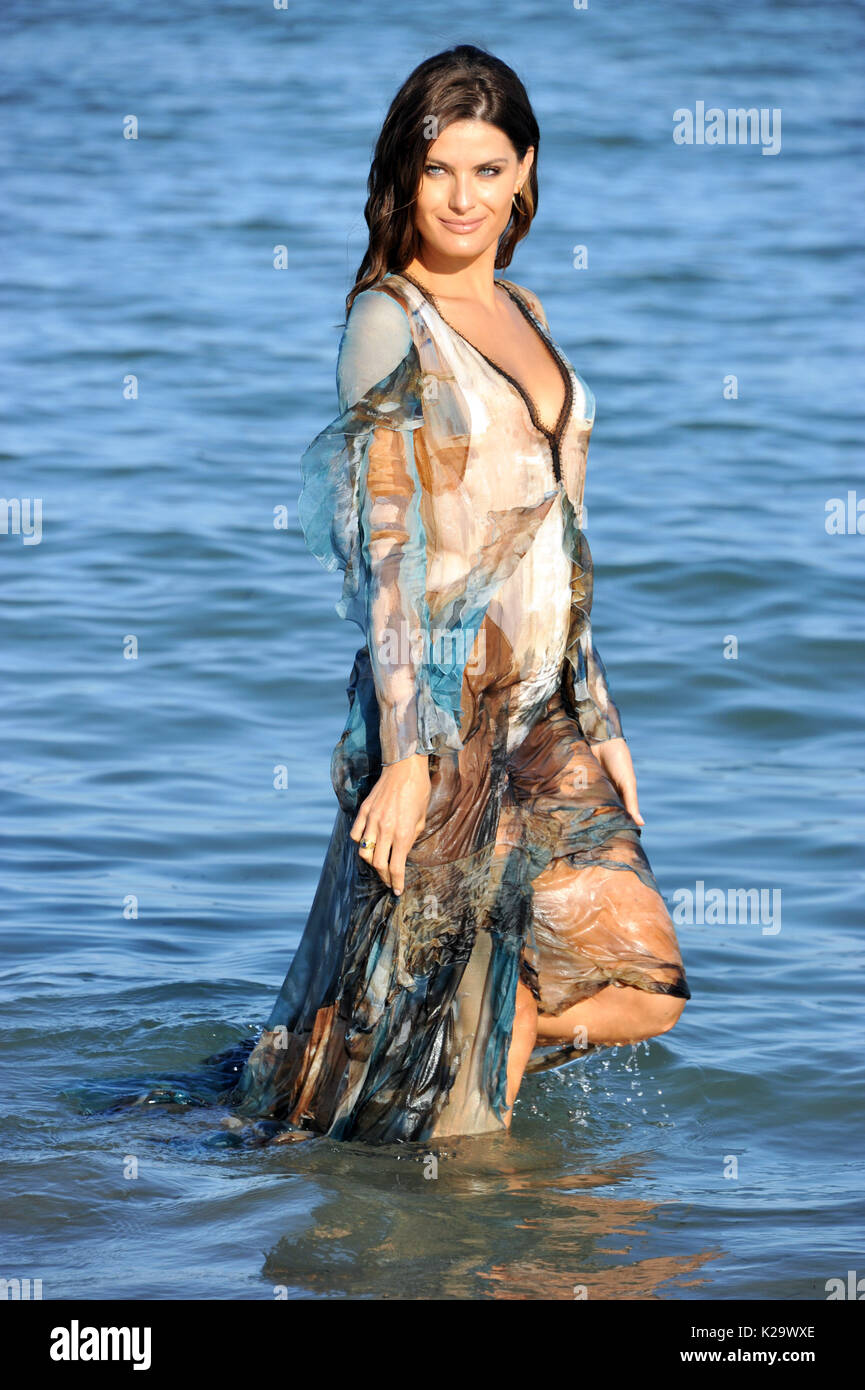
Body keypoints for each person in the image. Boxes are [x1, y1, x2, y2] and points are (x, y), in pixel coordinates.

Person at [224, 43, 690, 1145]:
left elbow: (566, 544)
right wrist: (406, 748)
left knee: (647, 985)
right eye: (440, 171)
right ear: (404, 175)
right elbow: (389, 549)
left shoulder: (526, 308)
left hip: (545, 715)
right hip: (441, 712)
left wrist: (602, 717)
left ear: (525, 172)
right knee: (435, 1094)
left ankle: (484, 1038)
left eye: (488, 170)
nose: (464, 198)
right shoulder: (390, 317)